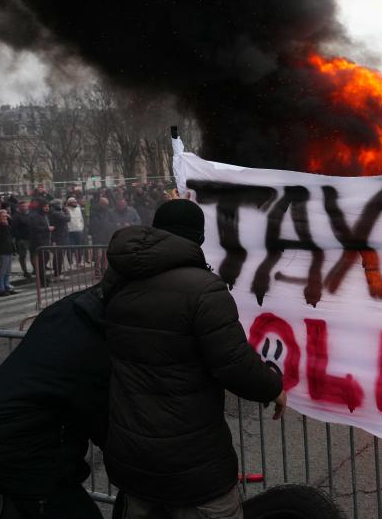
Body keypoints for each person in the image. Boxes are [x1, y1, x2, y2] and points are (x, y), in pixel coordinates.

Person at [103, 199, 286, 518]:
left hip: (132, 458)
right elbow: (234, 363)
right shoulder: (203, 289)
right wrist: (273, 388)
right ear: (199, 237)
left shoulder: (118, 280)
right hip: (191, 463)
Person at [0, 284, 113, 518]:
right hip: (20, 458)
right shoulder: (91, 340)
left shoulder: (69, 311)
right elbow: (100, 417)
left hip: (7, 442)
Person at [10, 200, 32, 278]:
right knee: (23, 256)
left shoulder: (30, 214)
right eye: (22, 206)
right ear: (19, 207)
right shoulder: (16, 216)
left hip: (31, 238)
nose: (24, 208)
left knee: (33, 255)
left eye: (25, 206)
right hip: (22, 239)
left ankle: (36, 270)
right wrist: (19, 239)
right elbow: (14, 229)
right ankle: (25, 271)